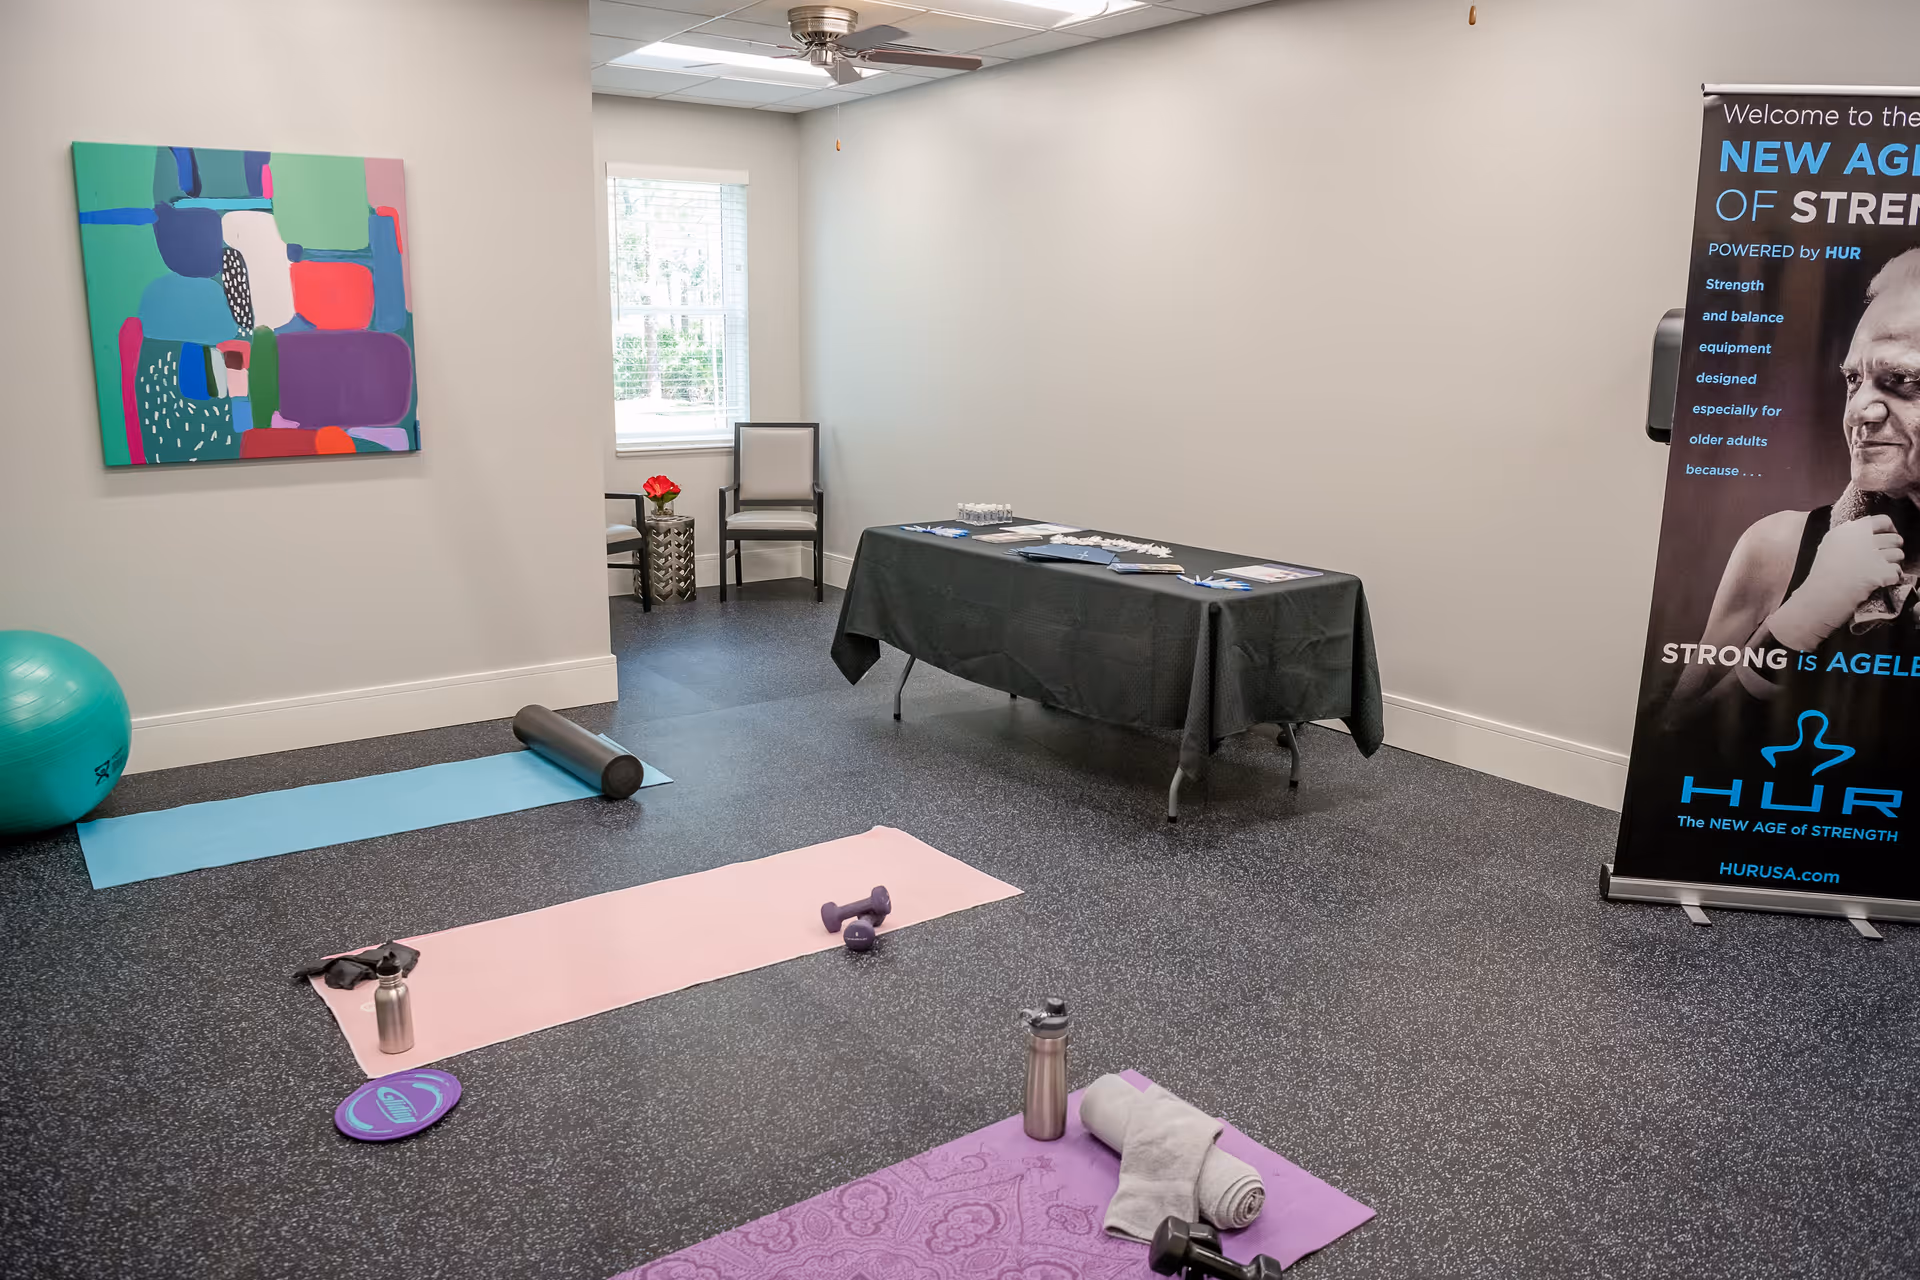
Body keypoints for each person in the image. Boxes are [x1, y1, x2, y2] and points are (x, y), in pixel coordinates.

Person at [1667, 248, 1920, 726]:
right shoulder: (1777, 546)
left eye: (1899, 379)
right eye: (1853, 379)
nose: (1859, 411)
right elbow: (1672, 746)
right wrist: (1797, 619)